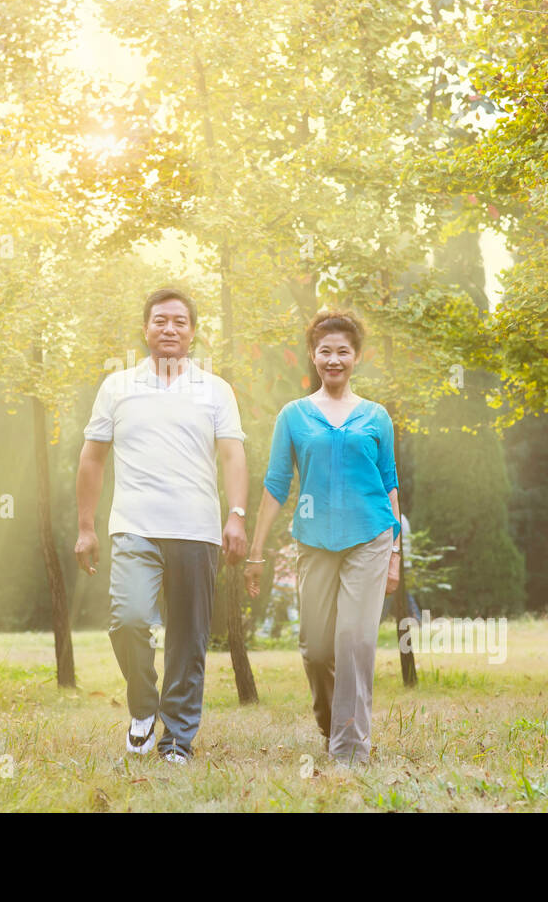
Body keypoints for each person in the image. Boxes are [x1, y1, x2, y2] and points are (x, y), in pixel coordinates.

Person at [75, 288, 248, 765]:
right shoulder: (116, 386)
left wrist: (237, 513)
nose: (169, 329)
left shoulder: (216, 390)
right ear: (145, 329)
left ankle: (177, 740)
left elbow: (233, 454)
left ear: (192, 331)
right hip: (134, 526)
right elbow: (92, 459)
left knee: (188, 640)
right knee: (128, 619)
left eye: (179, 321)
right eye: (159, 321)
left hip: (197, 530)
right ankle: (143, 707)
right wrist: (86, 527)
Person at [244, 310, 401, 765]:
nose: (334, 359)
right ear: (313, 356)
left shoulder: (376, 416)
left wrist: (394, 552)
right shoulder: (293, 416)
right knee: (315, 649)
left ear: (356, 357)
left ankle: (350, 749)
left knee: (355, 640)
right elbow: (276, 484)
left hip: (370, 536)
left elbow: (390, 481)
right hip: (314, 541)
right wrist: (256, 550)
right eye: (325, 351)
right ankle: (332, 725)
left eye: (343, 351)